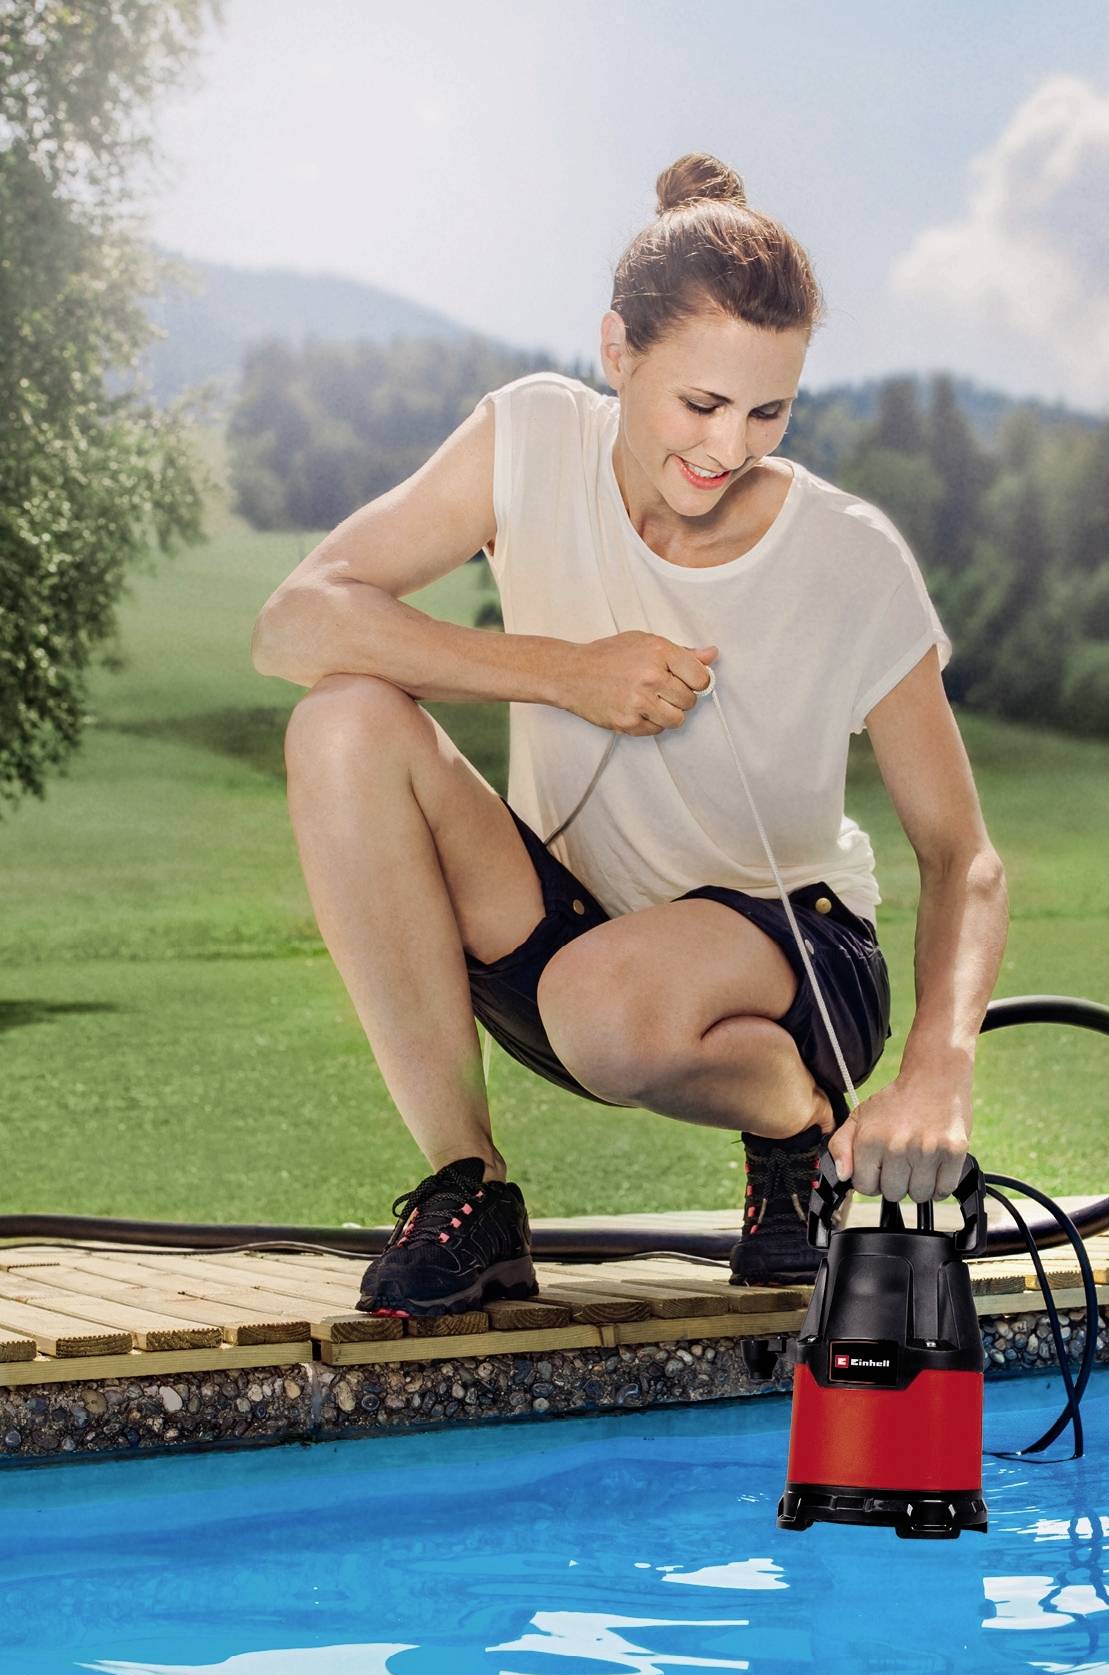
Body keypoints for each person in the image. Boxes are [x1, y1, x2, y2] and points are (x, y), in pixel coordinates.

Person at [250, 151, 1009, 1317]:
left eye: (767, 409)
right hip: (568, 937)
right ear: (618, 352)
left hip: (794, 953)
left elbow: (962, 855)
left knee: (605, 1006)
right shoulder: (531, 437)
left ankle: (798, 1123)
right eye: (699, 403)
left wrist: (935, 1079)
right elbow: (296, 622)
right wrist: (562, 674)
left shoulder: (849, 555)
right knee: (343, 717)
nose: (728, 444)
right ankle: (470, 1186)